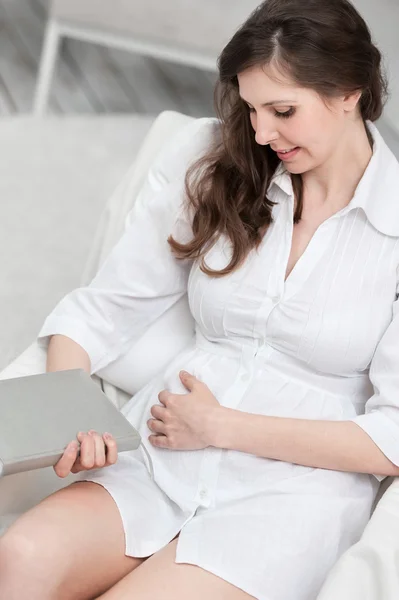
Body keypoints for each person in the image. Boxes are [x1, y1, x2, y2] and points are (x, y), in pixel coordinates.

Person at [1, 0, 399, 598]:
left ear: (350, 92)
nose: (262, 133)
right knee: (19, 557)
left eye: (283, 111)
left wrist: (221, 427)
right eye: (252, 109)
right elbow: (100, 310)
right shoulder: (224, 166)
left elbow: (391, 440)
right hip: (163, 453)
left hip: (290, 498)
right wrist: (73, 417)